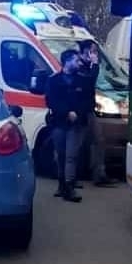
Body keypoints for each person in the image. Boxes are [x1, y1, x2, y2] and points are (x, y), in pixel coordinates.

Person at [45, 49, 88, 202]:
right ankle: (62, 185)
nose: (79, 63)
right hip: (58, 122)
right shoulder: (54, 81)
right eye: (76, 60)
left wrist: (77, 112)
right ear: (67, 61)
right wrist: (66, 112)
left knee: (71, 156)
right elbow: (51, 101)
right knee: (60, 155)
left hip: (76, 124)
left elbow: (88, 102)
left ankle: (69, 188)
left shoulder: (82, 81)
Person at [77, 40, 116, 187]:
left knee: (99, 140)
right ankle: (69, 178)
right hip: (78, 112)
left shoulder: (88, 66)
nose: (95, 55)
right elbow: (88, 81)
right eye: (92, 51)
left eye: (95, 52)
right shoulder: (79, 66)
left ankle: (99, 175)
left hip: (89, 110)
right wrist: (95, 65)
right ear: (85, 52)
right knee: (76, 144)